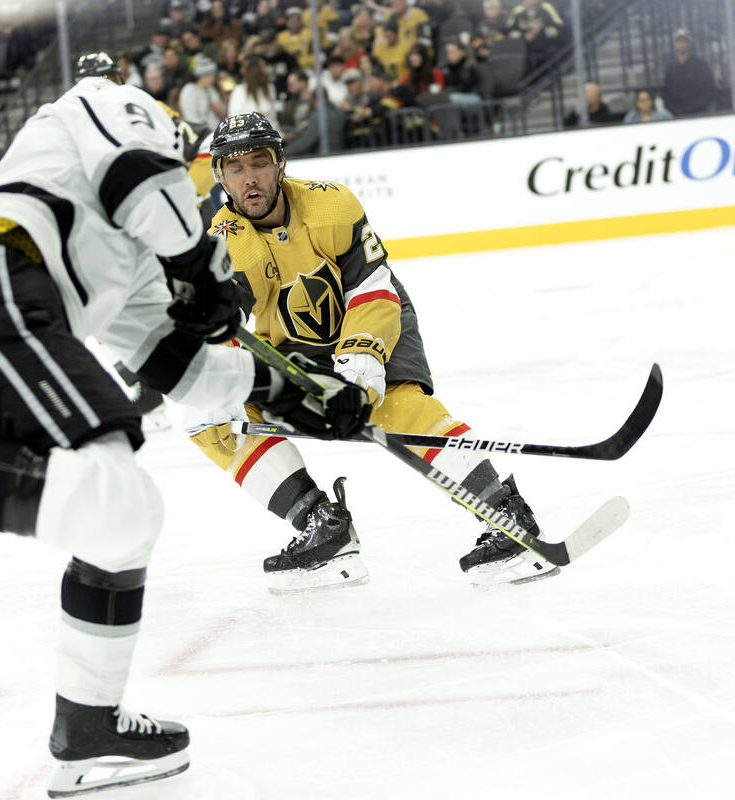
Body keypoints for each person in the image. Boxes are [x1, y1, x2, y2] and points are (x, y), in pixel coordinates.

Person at [0, 58, 369, 796]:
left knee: (122, 513)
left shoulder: (140, 262)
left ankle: (88, 727)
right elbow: (140, 174)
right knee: (115, 489)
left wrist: (289, 392)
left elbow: (179, 368)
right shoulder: (118, 105)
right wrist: (205, 269)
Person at [188, 113, 554, 593]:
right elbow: (223, 323)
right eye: (235, 169)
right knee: (206, 419)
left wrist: (361, 361)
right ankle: (322, 526)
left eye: (259, 162)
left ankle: (507, 517)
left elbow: (373, 286)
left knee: (402, 411)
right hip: (295, 348)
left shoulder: (330, 204)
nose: (249, 178)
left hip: (374, 316)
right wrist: (212, 372)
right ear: (219, 177)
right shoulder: (222, 241)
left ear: (280, 164)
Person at [661, 28, 717, 117]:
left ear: (690, 43)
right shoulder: (670, 69)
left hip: (700, 114)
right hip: (677, 117)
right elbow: (666, 95)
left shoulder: (701, 65)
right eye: (678, 41)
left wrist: (693, 108)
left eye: (684, 41)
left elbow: (709, 91)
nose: (681, 44)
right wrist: (677, 111)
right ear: (674, 45)